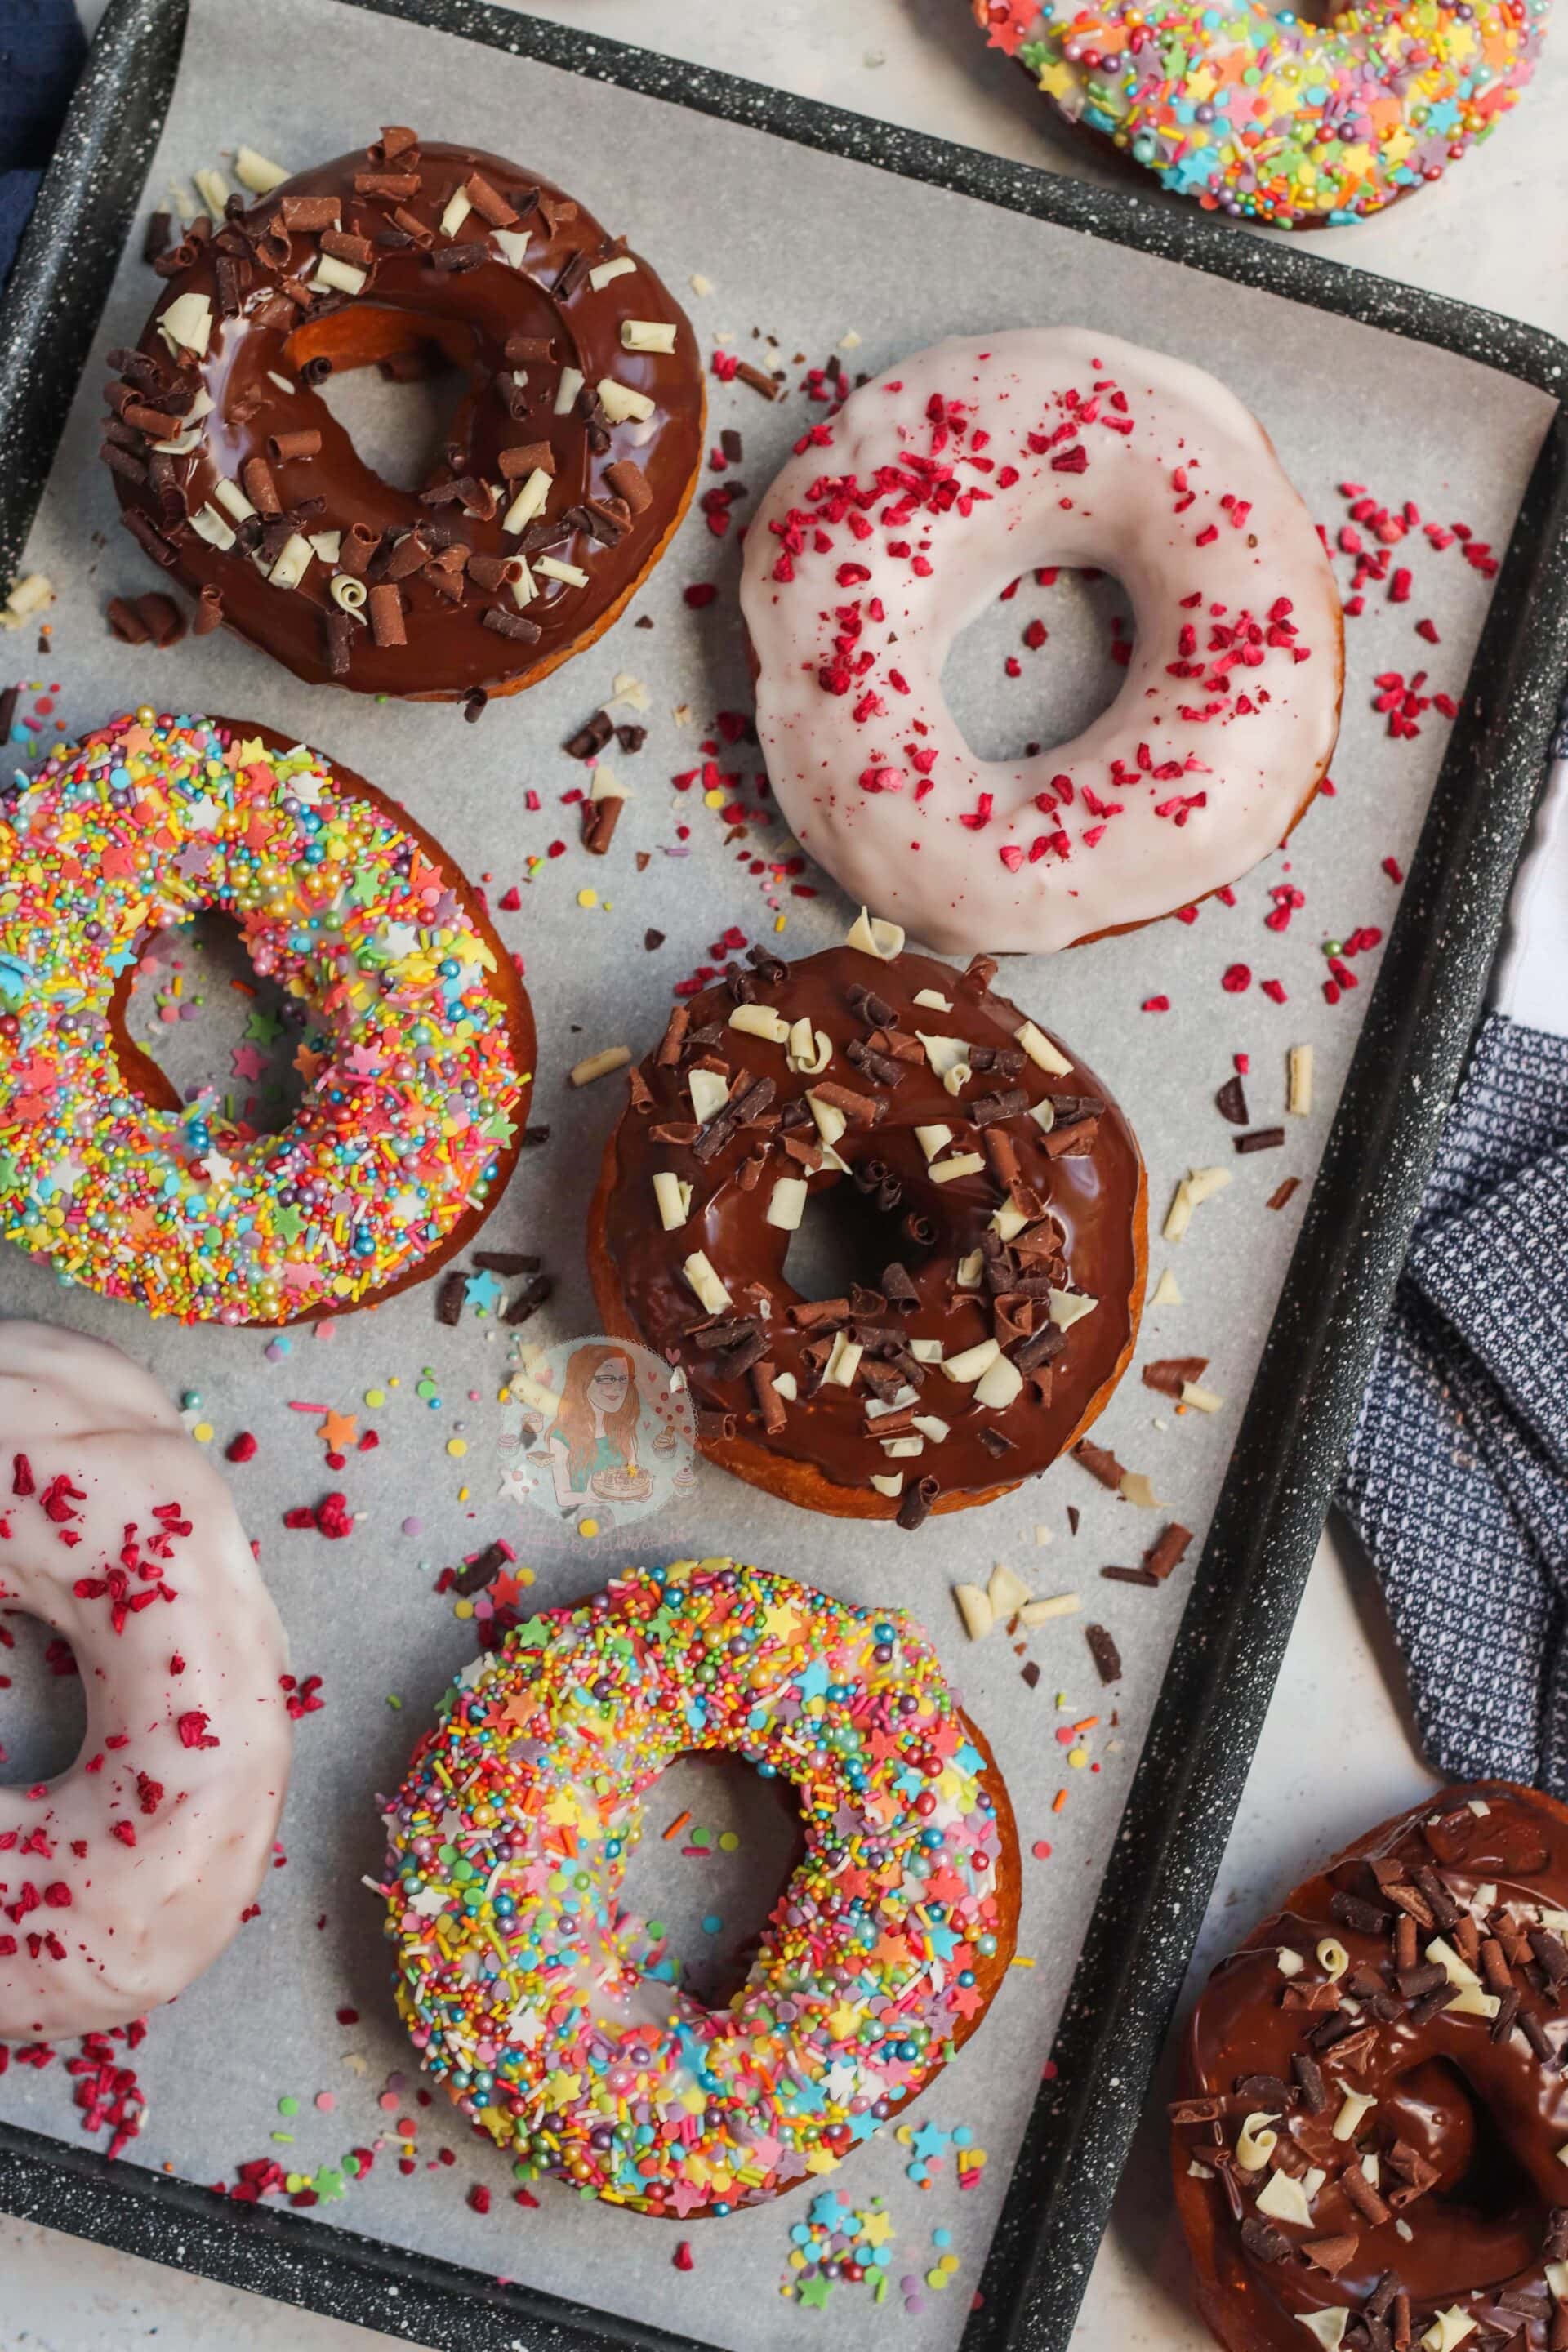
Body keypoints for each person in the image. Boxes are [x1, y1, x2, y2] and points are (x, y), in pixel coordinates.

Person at [544, 1343, 643, 1511]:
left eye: (624, 1379)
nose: (618, 1387)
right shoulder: (561, 1437)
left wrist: (639, 1489)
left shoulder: (622, 1431)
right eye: (606, 1378)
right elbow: (563, 1497)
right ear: (584, 1379)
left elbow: (634, 1473)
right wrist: (588, 1496)